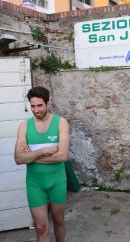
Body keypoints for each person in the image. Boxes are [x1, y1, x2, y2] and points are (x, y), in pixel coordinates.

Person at [14, 86, 70, 242]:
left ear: (48, 103)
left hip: (57, 181)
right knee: (41, 227)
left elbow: (63, 156)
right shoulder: (24, 126)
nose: (35, 110)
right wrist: (43, 151)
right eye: (32, 106)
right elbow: (18, 158)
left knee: (58, 222)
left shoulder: (61, 123)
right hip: (35, 184)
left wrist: (30, 157)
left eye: (39, 105)